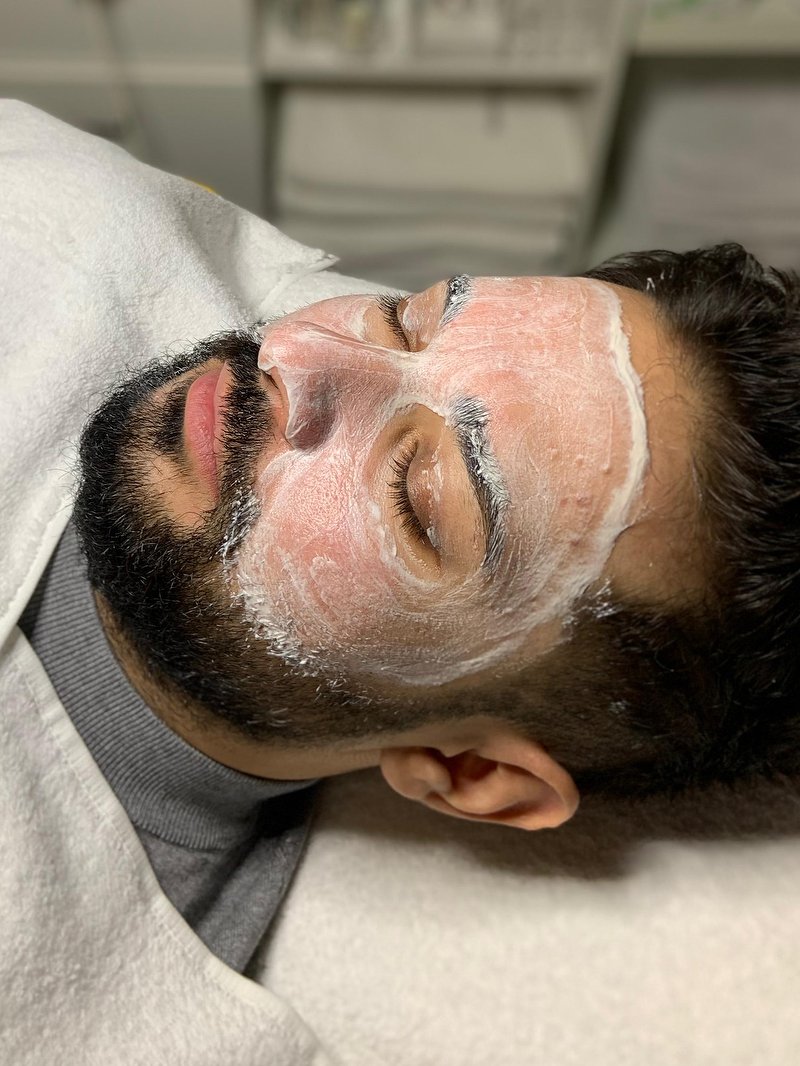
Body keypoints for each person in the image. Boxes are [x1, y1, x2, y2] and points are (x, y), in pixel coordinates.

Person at [2, 100, 798, 1063]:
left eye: (417, 497)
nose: (291, 353)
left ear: (472, 773)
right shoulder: (59, 207)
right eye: (406, 318)